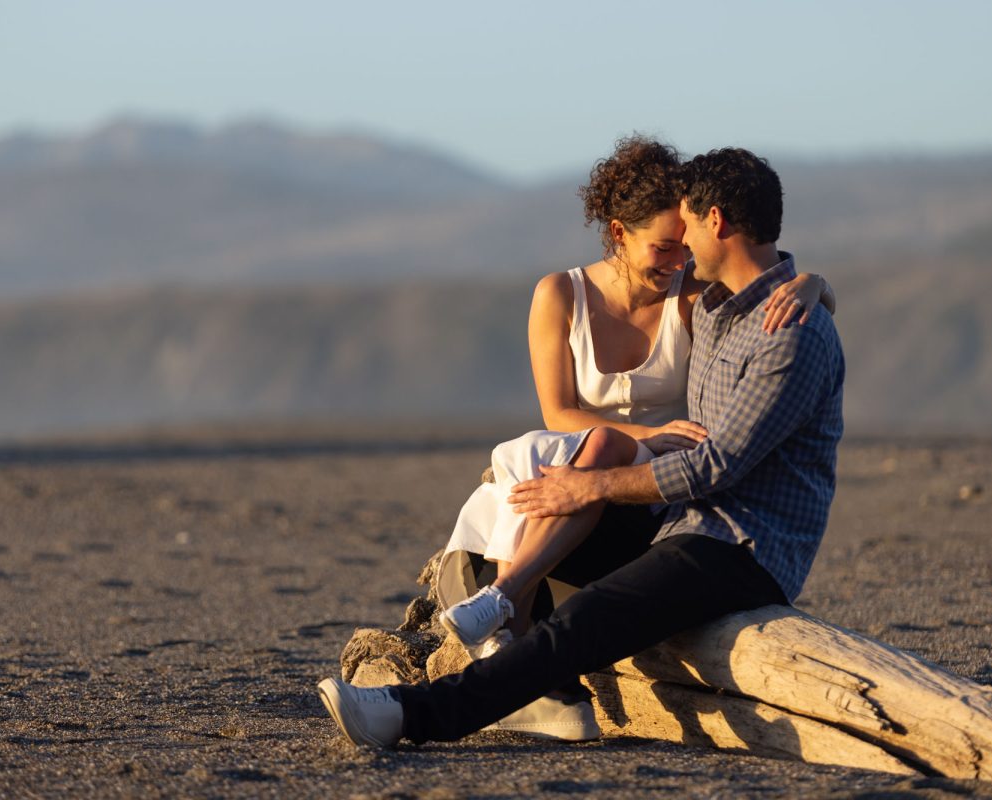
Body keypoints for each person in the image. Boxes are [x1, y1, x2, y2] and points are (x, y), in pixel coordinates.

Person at [317, 146, 846, 749]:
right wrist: (812, 280)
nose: (682, 252)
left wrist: (589, 485)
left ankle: (407, 716)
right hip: (680, 519)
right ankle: (513, 632)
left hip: (741, 544)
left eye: (689, 228)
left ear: (716, 221)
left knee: (589, 618)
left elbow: (715, 465)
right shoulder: (723, 305)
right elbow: (763, 276)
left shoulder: (788, 335)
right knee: (529, 527)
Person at [435, 138, 833, 661]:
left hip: (664, 486)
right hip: (587, 467)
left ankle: (506, 608)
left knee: (597, 450)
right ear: (620, 233)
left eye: (685, 244)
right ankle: (510, 625)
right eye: (664, 247)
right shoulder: (559, 295)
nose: (679, 259)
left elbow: (763, 285)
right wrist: (648, 435)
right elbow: (559, 413)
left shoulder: (693, 295)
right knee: (583, 450)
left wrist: (813, 283)